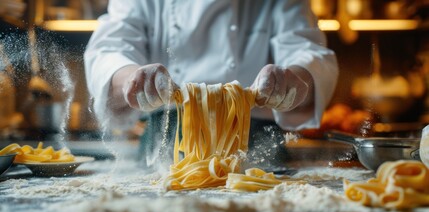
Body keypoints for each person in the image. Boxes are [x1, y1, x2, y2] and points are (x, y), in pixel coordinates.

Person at [84, 0, 338, 168]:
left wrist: (292, 80)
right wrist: (133, 80)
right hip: (165, 144)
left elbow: (306, 51)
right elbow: (109, 50)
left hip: (254, 144)